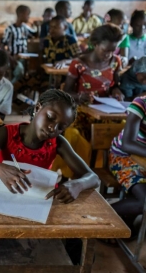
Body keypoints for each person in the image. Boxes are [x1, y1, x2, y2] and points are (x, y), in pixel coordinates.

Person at [0, 89, 99, 203]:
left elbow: (93, 178)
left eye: (61, 127)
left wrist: (77, 184)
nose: (53, 128)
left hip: (38, 196)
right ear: (37, 108)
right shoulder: (7, 133)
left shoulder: (58, 143)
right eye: (51, 117)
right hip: (2, 191)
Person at [56, 24, 124, 178]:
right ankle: (76, 175)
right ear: (95, 44)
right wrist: (79, 97)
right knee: (75, 135)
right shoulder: (79, 63)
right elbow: (66, 91)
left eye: (112, 50)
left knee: (122, 130)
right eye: (105, 50)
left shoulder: (116, 62)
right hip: (81, 110)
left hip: (106, 111)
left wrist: (117, 91)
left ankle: (112, 171)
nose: (109, 54)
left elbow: (115, 85)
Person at [109, 96, 146, 235]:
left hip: (143, 160)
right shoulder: (141, 103)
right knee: (144, 202)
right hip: (123, 157)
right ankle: (98, 218)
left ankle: (126, 222)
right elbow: (128, 143)